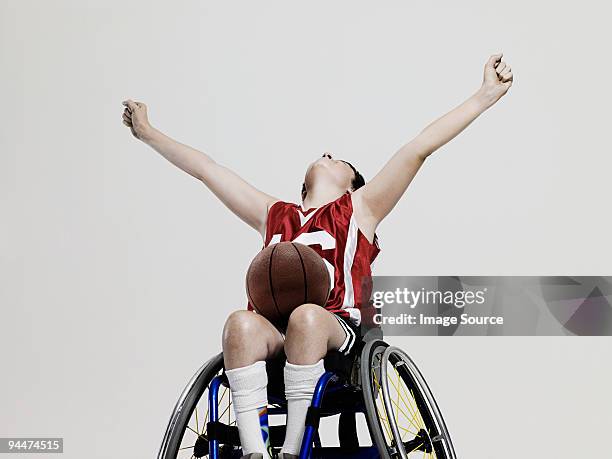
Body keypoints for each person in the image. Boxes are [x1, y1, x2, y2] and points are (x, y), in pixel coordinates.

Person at [122, 53, 513, 458]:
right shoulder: (273, 214)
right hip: (273, 336)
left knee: (305, 317)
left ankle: (291, 450)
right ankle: (257, 451)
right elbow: (207, 169)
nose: (327, 153)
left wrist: (483, 96)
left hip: (335, 336)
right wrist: (149, 133)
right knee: (239, 323)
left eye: (338, 159)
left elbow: (417, 149)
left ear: (350, 185)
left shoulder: (360, 209)